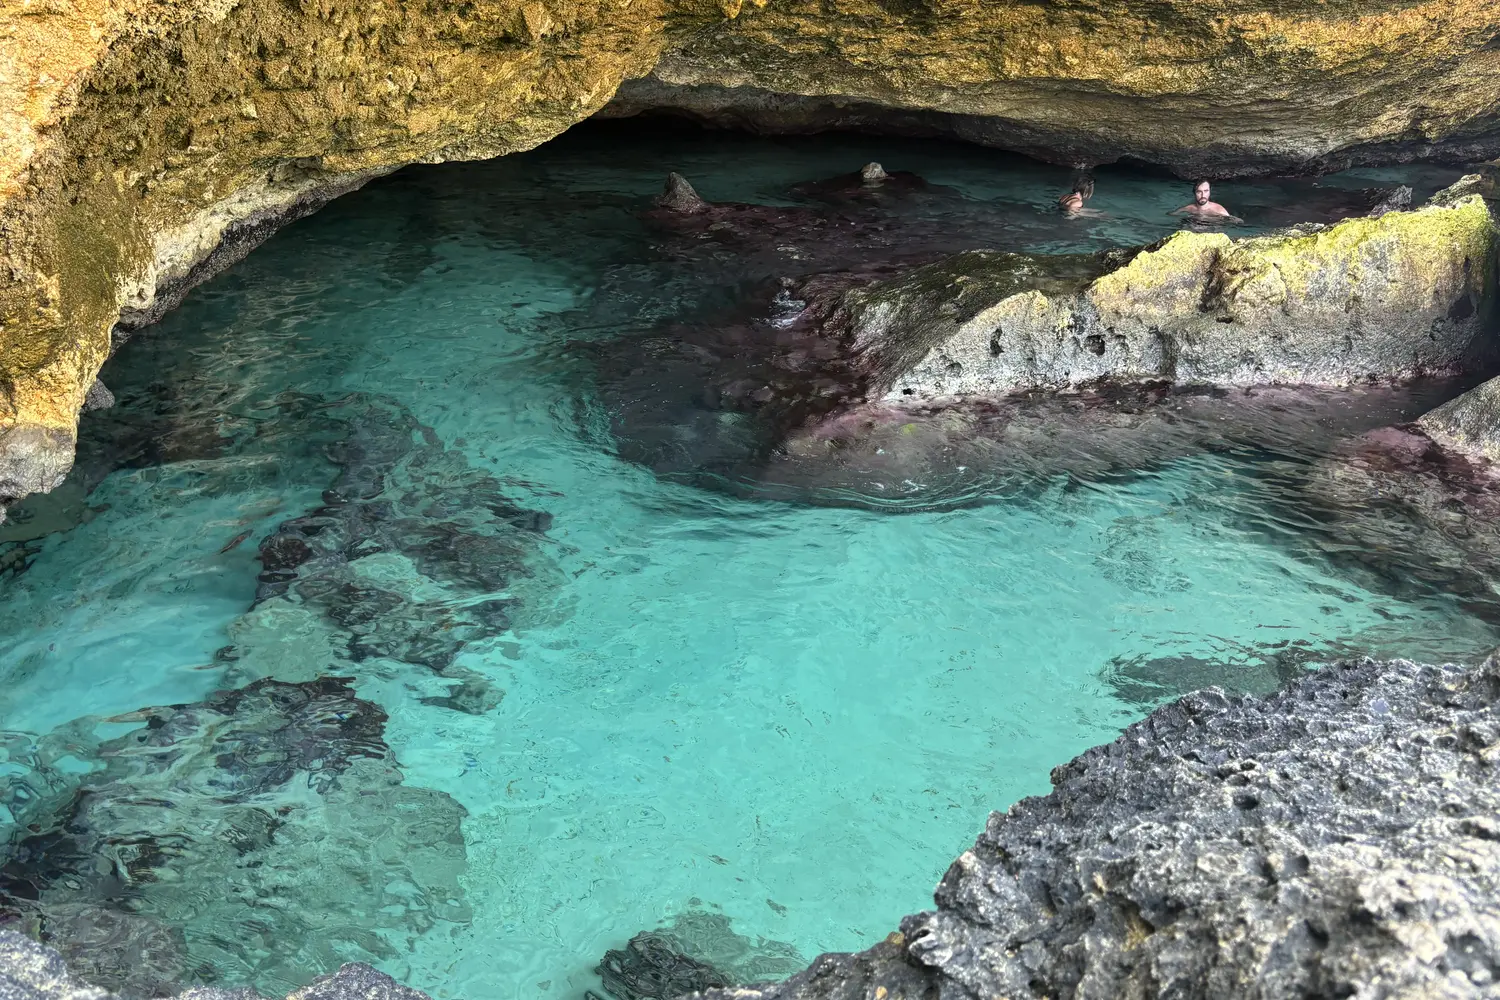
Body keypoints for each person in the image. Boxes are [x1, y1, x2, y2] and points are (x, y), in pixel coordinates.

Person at [1171, 180, 1241, 222]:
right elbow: (1171, 216)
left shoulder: (1219, 210)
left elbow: (1235, 221)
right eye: (1199, 192)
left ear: (1210, 192)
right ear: (1194, 193)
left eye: (1206, 191)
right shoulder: (1189, 208)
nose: (1203, 195)